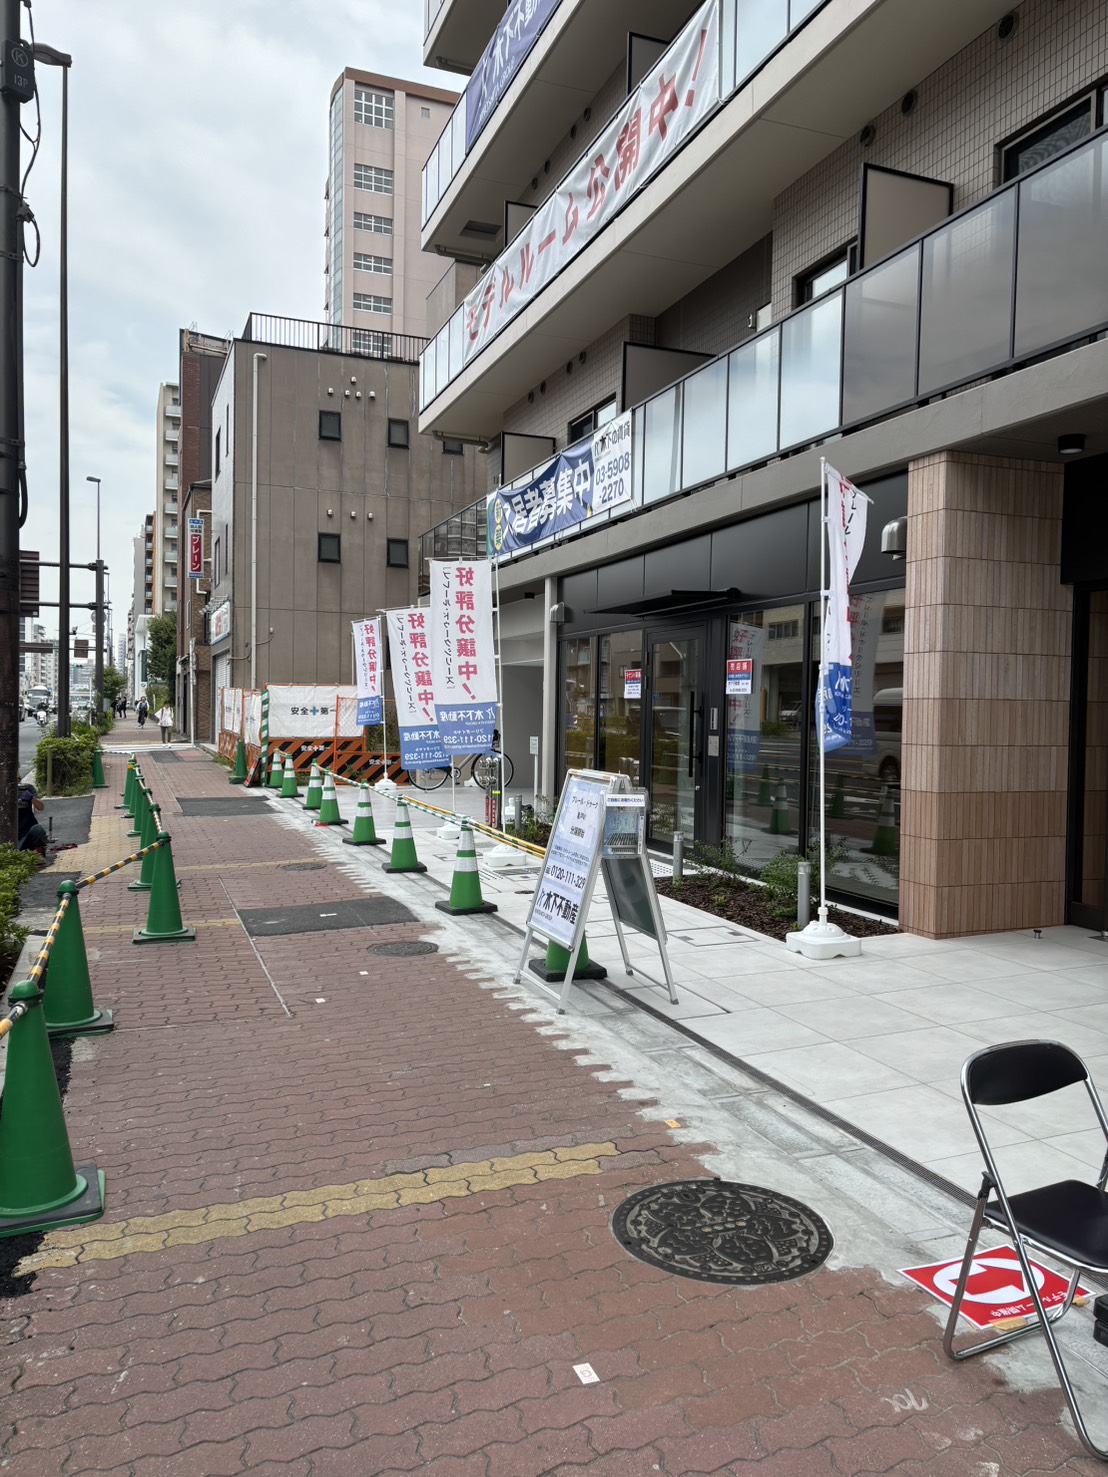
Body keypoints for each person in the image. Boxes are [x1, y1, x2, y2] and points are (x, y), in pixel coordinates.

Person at [17, 781, 48, 860]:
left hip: (27, 830)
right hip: (7, 833)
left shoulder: (27, 788)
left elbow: (41, 807)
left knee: (38, 830)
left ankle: (38, 854)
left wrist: (31, 798)